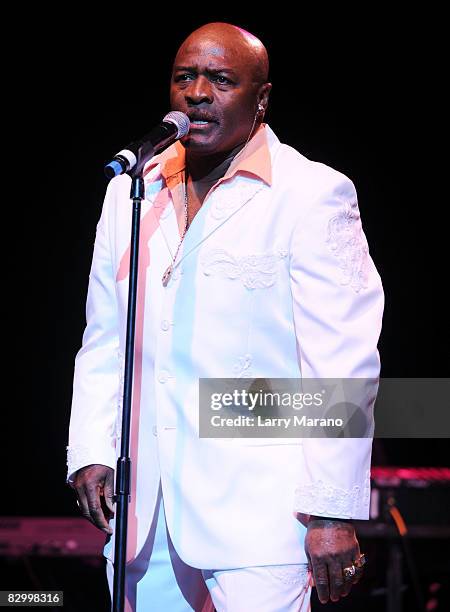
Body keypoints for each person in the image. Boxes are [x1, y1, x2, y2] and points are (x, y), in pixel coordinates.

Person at [67, 22, 384, 612]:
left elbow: (342, 365)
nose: (197, 92)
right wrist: (91, 447)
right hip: (145, 512)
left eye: (220, 79)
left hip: (261, 514)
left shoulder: (311, 194)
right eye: (184, 77)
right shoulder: (132, 191)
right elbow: (105, 337)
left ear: (260, 99)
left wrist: (333, 511)